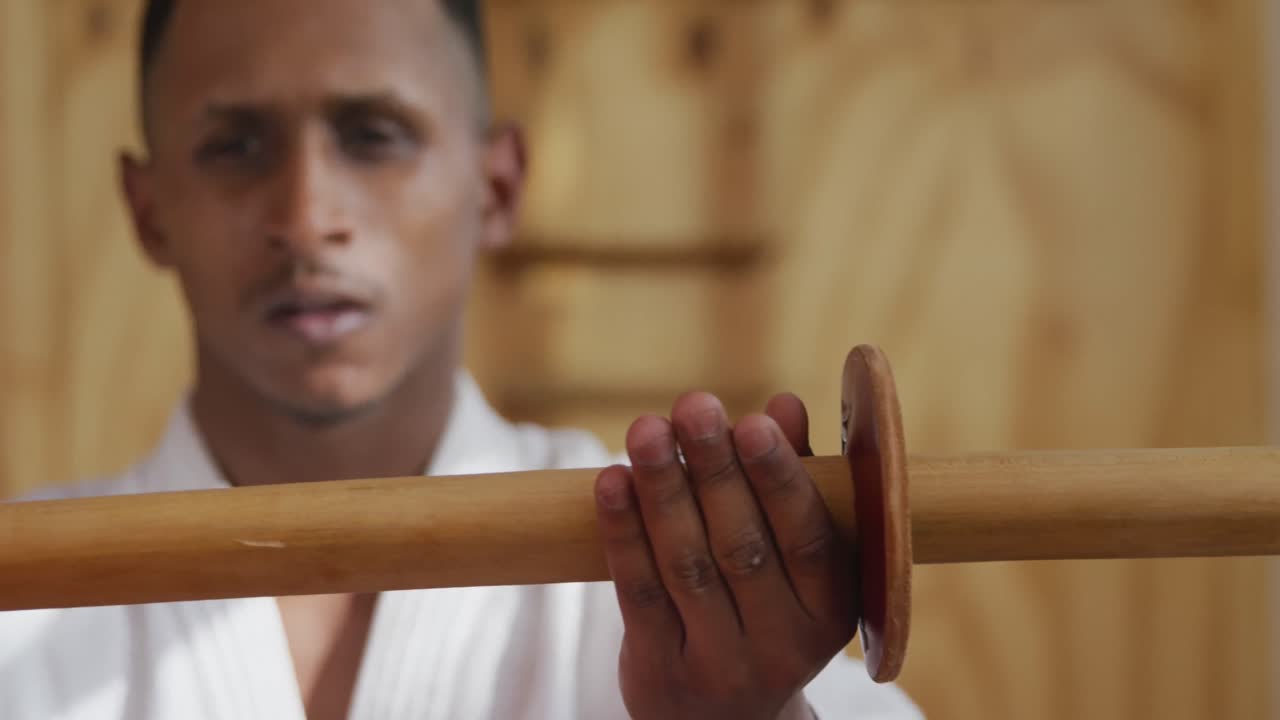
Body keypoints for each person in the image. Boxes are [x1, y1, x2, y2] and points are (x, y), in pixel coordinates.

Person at [0, 1, 923, 718]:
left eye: (374, 135)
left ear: (497, 186)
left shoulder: (676, 587)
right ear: (148, 207)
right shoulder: (24, 598)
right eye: (234, 145)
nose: (307, 213)